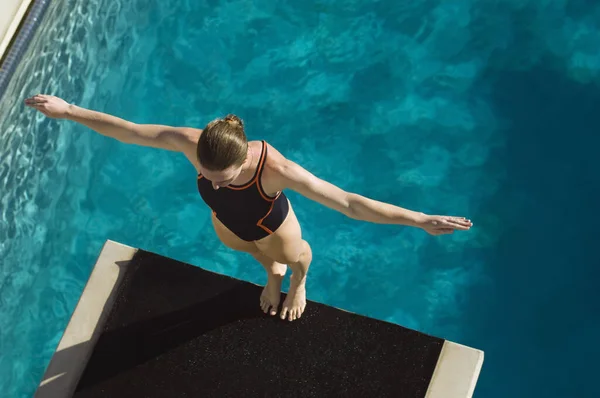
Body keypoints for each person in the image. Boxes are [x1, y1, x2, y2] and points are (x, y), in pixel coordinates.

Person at [24, 94, 473, 322]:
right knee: (252, 254)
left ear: (244, 162)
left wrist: (419, 220)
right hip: (230, 225)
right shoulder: (191, 142)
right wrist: (69, 110)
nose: (214, 182)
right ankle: (271, 275)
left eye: (223, 178)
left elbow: (350, 203)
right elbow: (129, 130)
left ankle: (297, 282)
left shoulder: (274, 169)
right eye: (207, 174)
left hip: (273, 224)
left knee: (293, 256)